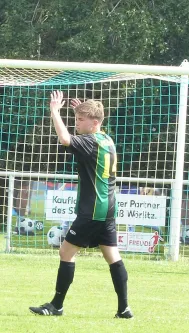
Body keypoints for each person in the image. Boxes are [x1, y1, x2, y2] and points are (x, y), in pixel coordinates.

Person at [30, 91, 133, 318]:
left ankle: (56, 305)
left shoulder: (89, 142)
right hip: (107, 208)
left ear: (95, 123)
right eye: (76, 119)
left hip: (93, 210)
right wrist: (80, 111)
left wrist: (55, 111)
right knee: (112, 256)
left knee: (66, 251)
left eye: (80, 120)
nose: (76, 123)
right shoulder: (105, 139)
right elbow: (84, 130)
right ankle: (124, 309)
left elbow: (65, 139)